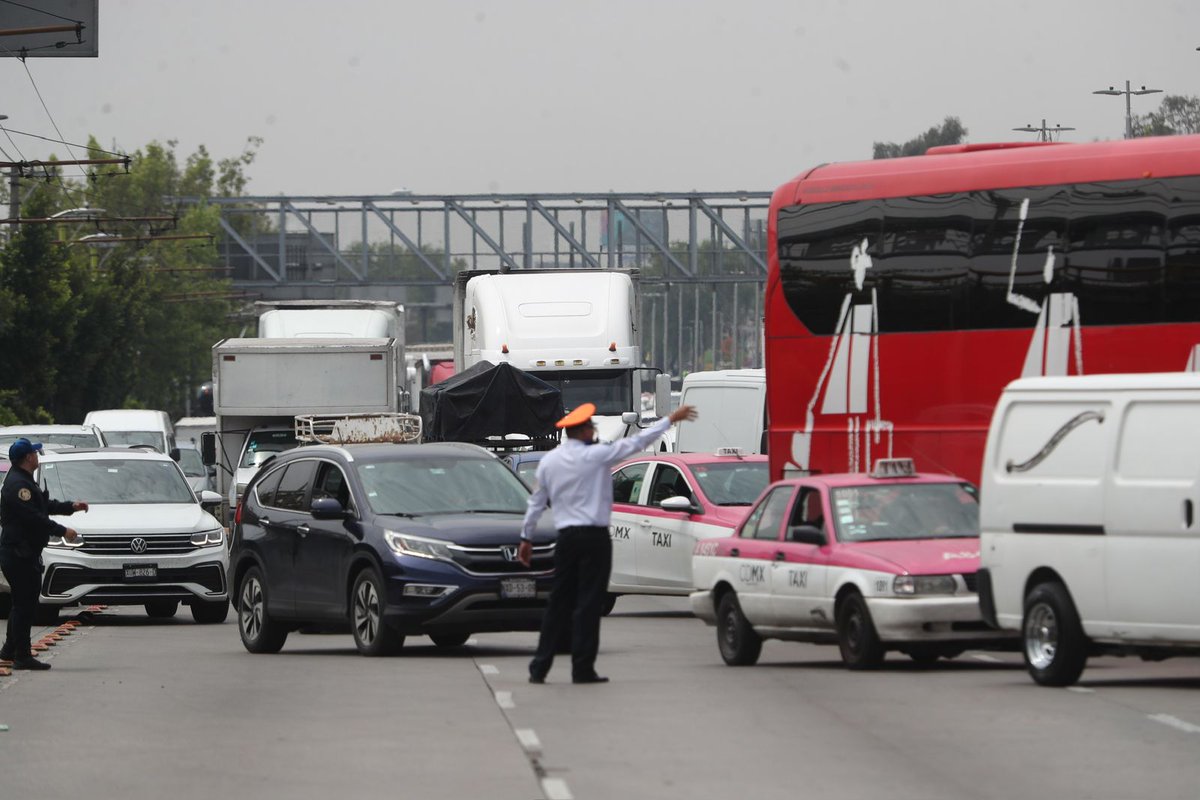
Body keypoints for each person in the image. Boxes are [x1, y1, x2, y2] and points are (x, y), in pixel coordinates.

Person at [518, 401, 697, 685]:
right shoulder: (598, 455)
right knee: (589, 602)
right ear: (581, 431)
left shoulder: (550, 462)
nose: (593, 431)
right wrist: (670, 420)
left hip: (566, 539)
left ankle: (539, 667)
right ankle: (582, 669)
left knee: (558, 603)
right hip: (595, 538)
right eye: (590, 426)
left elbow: (537, 502)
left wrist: (526, 537)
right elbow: (637, 442)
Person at [0, 438, 88, 671]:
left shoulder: (24, 480)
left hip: (23, 552)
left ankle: (10, 649)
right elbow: (35, 519)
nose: (38, 456)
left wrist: (71, 507)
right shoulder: (19, 486)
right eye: (35, 453)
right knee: (25, 605)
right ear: (28, 457)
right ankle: (22, 655)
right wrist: (64, 531)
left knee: (22, 603)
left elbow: (44, 506)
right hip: (18, 554)